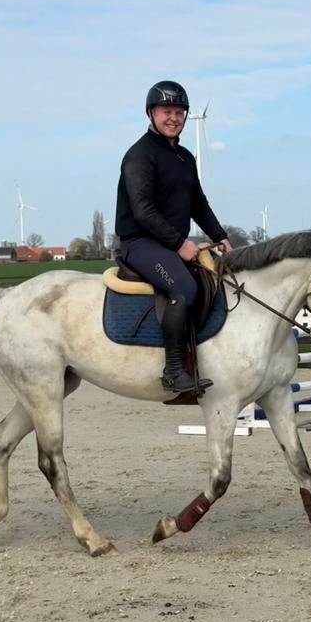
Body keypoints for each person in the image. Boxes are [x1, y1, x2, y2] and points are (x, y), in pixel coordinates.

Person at [115, 80, 233, 394]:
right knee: (183, 287)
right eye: (167, 111)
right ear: (151, 113)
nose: (174, 118)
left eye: (180, 112)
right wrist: (179, 243)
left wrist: (220, 236)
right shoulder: (139, 156)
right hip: (140, 243)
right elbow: (143, 211)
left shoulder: (184, 157)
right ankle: (174, 371)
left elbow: (198, 203)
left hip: (165, 243)